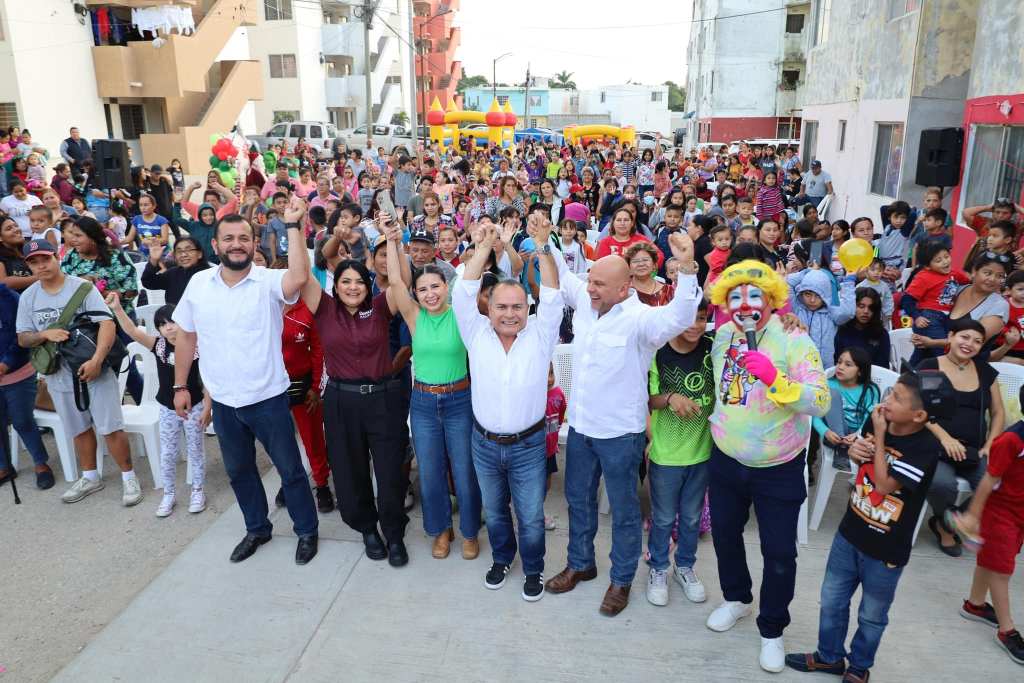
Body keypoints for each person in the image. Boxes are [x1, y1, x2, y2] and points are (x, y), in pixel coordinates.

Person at [545, 225, 700, 616]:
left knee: (625, 512)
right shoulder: (587, 301)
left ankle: (621, 580)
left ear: (624, 288)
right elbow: (565, 279)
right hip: (581, 429)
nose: (590, 288)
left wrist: (686, 266)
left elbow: (680, 316)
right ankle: (581, 564)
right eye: (590, 280)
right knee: (578, 502)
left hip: (619, 436)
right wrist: (545, 240)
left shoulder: (641, 321)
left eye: (599, 284)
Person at [171, 209, 320, 566]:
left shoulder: (268, 281)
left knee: (290, 470)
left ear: (254, 243)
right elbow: (187, 337)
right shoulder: (199, 285)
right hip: (224, 402)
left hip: (268, 398)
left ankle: (306, 530)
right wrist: (180, 386)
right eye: (229, 238)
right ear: (216, 244)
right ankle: (257, 528)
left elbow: (300, 276)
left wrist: (293, 225)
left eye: (243, 238)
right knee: (239, 471)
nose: (236, 245)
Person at [704, 260, 830, 673]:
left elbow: (820, 400)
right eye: (735, 297)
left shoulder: (794, 338)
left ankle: (772, 629)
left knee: (778, 552)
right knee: (724, 535)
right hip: (726, 459)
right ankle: (737, 598)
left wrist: (776, 379)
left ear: (773, 299)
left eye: (755, 295)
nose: (745, 306)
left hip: (778, 466)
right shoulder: (723, 335)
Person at [786, 370, 949, 683]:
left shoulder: (924, 447)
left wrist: (880, 436)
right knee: (832, 601)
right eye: (890, 392)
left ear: (919, 416)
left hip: (886, 550)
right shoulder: (878, 422)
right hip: (850, 533)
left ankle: (859, 667)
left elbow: (885, 485)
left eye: (897, 398)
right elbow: (863, 461)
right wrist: (855, 450)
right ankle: (829, 657)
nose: (887, 401)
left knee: (872, 615)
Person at [451, 217, 561, 602]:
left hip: (528, 446)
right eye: (501, 306)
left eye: (517, 306)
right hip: (483, 444)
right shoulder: (475, 332)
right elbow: (462, 293)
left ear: (528, 308)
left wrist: (542, 246)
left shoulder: (541, 335)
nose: (509, 313)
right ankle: (502, 558)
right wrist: (484, 247)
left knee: (529, 516)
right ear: (489, 308)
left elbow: (553, 295)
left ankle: (533, 567)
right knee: (495, 512)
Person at [296, 216, 410, 567]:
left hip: (382, 398)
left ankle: (394, 533)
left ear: (367, 285)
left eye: (359, 281)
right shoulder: (324, 309)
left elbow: (399, 283)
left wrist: (393, 241)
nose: (352, 287)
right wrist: (293, 226)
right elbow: (302, 274)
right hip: (341, 401)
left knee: (390, 471)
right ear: (335, 285)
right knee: (349, 470)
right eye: (345, 281)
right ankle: (367, 529)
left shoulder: (379, 308)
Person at [16, 240, 142, 506]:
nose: (41, 266)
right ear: (28, 266)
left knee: (111, 426)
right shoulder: (28, 296)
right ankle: (90, 477)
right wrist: (44, 334)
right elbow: (23, 337)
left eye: (45, 259)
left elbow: (106, 323)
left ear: (56, 257)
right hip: (58, 373)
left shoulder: (81, 288)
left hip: (92, 367)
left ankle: (129, 477)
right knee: (78, 427)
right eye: (34, 262)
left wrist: (97, 360)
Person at [384, 224, 481, 560]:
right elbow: (395, 282)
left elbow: (472, 276)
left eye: (435, 286)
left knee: (464, 471)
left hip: (459, 401)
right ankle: (440, 530)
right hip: (423, 402)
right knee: (429, 472)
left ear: (446, 287)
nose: (429, 294)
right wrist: (392, 241)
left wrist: (481, 244)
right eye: (422, 289)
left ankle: (469, 531)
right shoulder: (414, 316)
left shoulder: (461, 315)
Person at [108, 295, 210, 517]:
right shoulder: (159, 345)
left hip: (194, 407)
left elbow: (209, 379)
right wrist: (117, 309)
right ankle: (169, 493)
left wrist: (207, 407)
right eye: (162, 325)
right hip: (166, 407)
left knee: (196, 450)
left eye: (172, 321)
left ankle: (198, 490)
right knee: (168, 453)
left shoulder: (197, 344)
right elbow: (132, 331)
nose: (169, 328)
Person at [644, 303, 714, 607]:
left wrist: (789, 320)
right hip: (667, 454)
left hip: (703, 453)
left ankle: (684, 566)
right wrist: (671, 398)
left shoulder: (713, 347)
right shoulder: (658, 352)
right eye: (689, 317)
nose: (695, 325)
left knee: (691, 517)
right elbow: (649, 399)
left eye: (702, 318)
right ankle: (658, 567)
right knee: (662, 518)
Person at [918, 318, 1005, 558]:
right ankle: (946, 525)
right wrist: (945, 438)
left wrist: (990, 444)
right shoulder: (931, 366)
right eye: (964, 337)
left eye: (977, 341)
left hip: (975, 450)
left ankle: (953, 520)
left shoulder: (985, 371)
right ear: (950, 336)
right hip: (935, 446)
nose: (969, 344)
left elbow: (998, 412)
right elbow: (921, 410)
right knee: (942, 484)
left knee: (998, 486)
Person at [957, 388, 1024, 665]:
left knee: (991, 560)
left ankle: (975, 604)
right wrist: (973, 515)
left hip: (1019, 514)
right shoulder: (1011, 441)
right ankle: (1007, 630)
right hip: (1001, 515)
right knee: (1001, 570)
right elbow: (988, 480)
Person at [277, 278, 333, 514]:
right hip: (272, 387)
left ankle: (322, 484)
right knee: (279, 440)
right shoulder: (264, 309)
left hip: (302, 384)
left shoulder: (307, 310)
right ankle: (288, 481)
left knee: (312, 438)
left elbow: (319, 351)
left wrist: (315, 387)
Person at [0, 281, 52, 489]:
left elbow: (22, 336)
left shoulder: (11, 298)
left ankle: (41, 463)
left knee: (22, 421)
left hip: (18, 373)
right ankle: (4, 466)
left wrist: (6, 363)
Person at [812, 348, 881, 472]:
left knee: (877, 413)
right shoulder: (828, 384)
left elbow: (869, 417)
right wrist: (825, 431)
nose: (840, 367)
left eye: (848, 364)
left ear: (860, 371)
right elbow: (814, 416)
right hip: (834, 435)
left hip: (858, 437)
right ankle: (842, 448)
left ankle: (845, 449)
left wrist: (858, 434)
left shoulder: (870, 390)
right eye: (839, 362)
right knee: (831, 394)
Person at [902, 241, 969, 365]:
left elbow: (969, 283)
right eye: (938, 260)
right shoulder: (923, 277)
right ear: (928, 266)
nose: (945, 262)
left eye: (946, 256)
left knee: (923, 353)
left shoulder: (954, 273)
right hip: (929, 319)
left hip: (946, 318)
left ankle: (909, 373)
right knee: (943, 353)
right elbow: (907, 299)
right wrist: (916, 317)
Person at [787, 265, 856, 369]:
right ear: (801, 293)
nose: (812, 300)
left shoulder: (831, 313)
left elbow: (849, 312)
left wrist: (849, 282)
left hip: (824, 369)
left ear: (826, 295)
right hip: (797, 367)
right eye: (808, 294)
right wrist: (807, 272)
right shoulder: (796, 308)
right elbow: (787, 282)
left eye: (818, 295)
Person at [141, 237, 210, 305]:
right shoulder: (173, 273)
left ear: (199, 254)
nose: (183, 255)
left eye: (189, 250)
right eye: (179, 251)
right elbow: (148, 282)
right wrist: (154, 259)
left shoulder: (209, 275)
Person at [834, 288, 891, 369]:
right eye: (861, 306)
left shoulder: (882, 334)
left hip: (873, 375)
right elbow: (836, 361)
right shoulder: (842, 331)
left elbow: (883, 366)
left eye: (871, 308)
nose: (866, 311)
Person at [626, 241, 673, 306]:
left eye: (645, 260)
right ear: (629, 267)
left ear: (654, 265)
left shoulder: (669, 291)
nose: (641, 264)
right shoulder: (623, 292)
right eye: (635, 261)